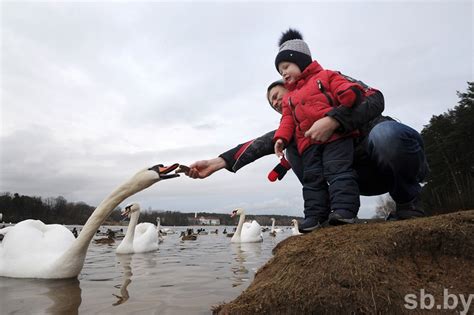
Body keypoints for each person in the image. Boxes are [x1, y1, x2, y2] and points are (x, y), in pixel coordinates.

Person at [186, 44, 428, 232]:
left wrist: (335, 120)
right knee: (291, 146)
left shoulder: (328, 80)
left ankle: (407, 202)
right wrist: (217, 163)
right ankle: (321, 213)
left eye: (278, 94)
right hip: (354, 179)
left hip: (390, 158)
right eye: (272, 103)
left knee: (385, 134)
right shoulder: (298, 124)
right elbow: (260, 143)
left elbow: (375, 98)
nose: (276, 101)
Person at [273, 29, 364, 230]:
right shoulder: (289, 97)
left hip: (336, 138)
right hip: (308, 145)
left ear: (301, 60)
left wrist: (348, 94)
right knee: (312, 179)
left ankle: (344, 211)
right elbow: (287, 120)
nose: (283, 73)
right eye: (280, 71)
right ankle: (315, 216)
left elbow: (345, 89)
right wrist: (281, 139)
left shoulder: (326, 75)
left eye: (286, 66)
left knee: (338, 171)